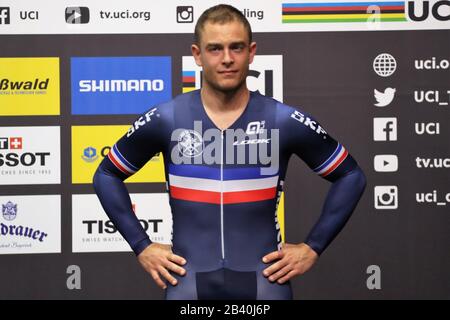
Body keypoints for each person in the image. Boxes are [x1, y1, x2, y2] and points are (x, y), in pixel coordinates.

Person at [93, 4, 366, 300]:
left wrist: (312, 247)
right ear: (197, 55)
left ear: (251, 52)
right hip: (189, 282)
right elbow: (106, 174)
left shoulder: (282, 120)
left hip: (264, 284)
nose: (227, 59)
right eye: (215, 49)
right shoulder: (167, 118)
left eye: (236, 48)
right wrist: (141, 245)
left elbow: (351, 175)